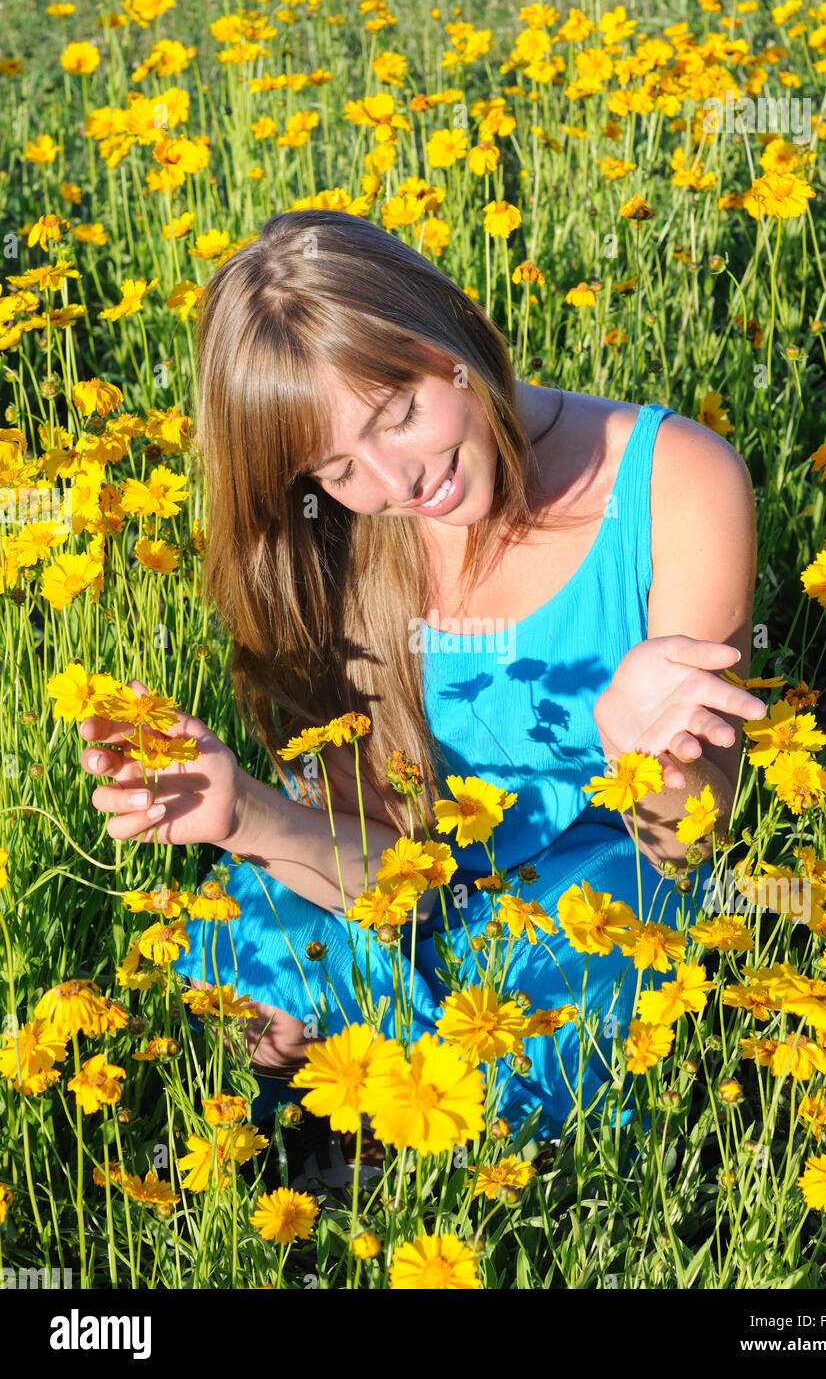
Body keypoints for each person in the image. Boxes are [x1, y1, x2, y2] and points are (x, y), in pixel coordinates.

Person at [77, 208, 767, 1145]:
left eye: (397, 413)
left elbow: (683, 847)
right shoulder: (336, 539)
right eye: (336, 466)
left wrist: (649, 756)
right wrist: (244, 813)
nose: (398, 480)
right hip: (421, 882)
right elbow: (395, 872)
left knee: (528, 1050)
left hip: (606, 884)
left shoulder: (677, 482)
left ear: (449, 336)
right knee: (255, 992)